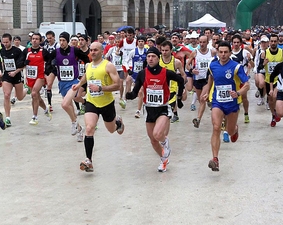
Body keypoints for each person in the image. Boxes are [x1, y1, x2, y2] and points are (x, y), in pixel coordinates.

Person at [126, 47, 185, 172]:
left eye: (153, 56)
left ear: (158, 58)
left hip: (163, 108)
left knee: (158, 134)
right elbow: (136, 91)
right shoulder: (143, 73)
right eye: (148, 57)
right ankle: (164, 160)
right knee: (153, 140)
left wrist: (179, 98)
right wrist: (130, 95)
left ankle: (166, 142)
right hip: (149, 109)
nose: (150, 59)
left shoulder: (166, 72)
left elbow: (180, 80)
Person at [71, 42, 125, 172]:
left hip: (106, 103)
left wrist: (100, 88)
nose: (93, 52)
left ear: (102, 52)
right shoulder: (89, 65)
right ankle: (88, 160)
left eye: (96, 50)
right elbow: (86, 76)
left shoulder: (108, 66)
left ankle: (118, 123)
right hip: (92, 102)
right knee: (89, 128)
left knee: (111, 130)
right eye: (91, 50)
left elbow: (118, 85)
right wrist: (79, 85)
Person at [201, 41, 250, 171]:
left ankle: (234, 129)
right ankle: (215, 159)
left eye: (225, 52)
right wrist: (206, 93)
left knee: (230, 131)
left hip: (232, 104)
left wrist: (238, 93)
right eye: (220, 52)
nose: (223, 55)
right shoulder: (213, 65)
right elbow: (211, 80)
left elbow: (247, 85)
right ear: (217, 52)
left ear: (230, 52)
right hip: (217, 102)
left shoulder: (236, 67)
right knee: (216, 127)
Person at [54, 31, 90, 141]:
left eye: (64, 40)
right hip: (62, 83)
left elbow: (87, 59)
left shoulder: (75, 50)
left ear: (68, 41)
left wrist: (87, 69)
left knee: (64, 105)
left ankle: (74, 123)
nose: (61, 42)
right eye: (60, 40)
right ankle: (79, 129)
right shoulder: (56, 51)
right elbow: (49, 60)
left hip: (73, 82)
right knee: (70, 108)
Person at [21, 32, 53, 125]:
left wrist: (47, 72)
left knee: (34, 93)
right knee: (36, 96)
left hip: (40, 76)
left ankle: (34, 117)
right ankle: (46, 110)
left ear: (40, 41)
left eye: (36, 39)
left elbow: (50, 62)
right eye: (33, 39)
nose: (34, 40)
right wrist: (23, 63)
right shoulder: (26, 51)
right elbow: (21, 62)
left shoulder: (44, 52)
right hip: (30, 77)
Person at [186, 36, 216, 128]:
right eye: (200, 42)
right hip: (197, 79)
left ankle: (198, 119)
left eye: (204, 42)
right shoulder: (195, 52)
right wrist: (191, 70)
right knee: (201, 101)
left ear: (207, 43)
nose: (202, 44)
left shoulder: (212, 52)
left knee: (202, 99)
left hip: (208, 79)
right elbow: (187, 65)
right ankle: (209, 101)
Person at [0, 33, 29, 127]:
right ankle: (7, 118)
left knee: (20, 97)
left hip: (17, 76)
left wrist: (15, 72)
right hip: (7, 76)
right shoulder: (2, 51)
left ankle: (26, 90)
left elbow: (23, 65)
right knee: (7, 95)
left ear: (11, 41)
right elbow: (3, 62)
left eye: (7, 42)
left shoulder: (17, 51)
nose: (5, 44)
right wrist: (0, 70)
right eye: (3, 42)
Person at [258, 34, 283, 127]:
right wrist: (264, 63)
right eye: (271, 41)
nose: (273, 43)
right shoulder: (264, 53)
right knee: (270, 100)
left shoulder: (282, 52)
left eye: (275, 41)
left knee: (275, 96)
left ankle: (278, 112)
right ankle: (273, 114)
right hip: (268, 79)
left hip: (279, 80)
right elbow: (259, 67)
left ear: (278, 42)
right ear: (269, 42)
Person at [269, 53, 283, 140]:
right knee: (280, 113)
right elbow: (272, 77)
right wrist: (272, 89)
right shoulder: (280, 66)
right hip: (282, 93)